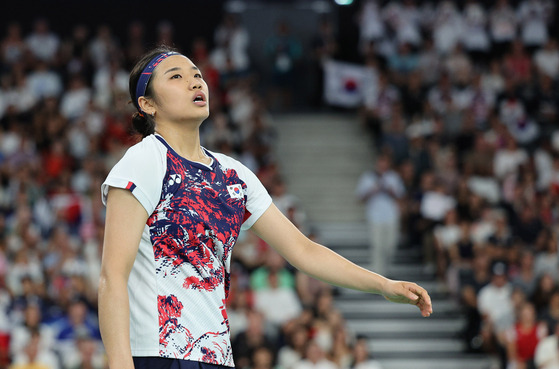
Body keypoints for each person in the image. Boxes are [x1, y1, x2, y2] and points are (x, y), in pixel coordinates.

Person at [98, 46, 433, 369]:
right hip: (155, 353)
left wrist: (383, 285)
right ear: (148, 104)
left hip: (215, 355)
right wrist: (119, 363)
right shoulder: (145, 160)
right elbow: (113, 275)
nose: (195, 82)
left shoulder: (234, 175)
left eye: (197, 74)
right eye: (176, 77)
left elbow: (303, 250)